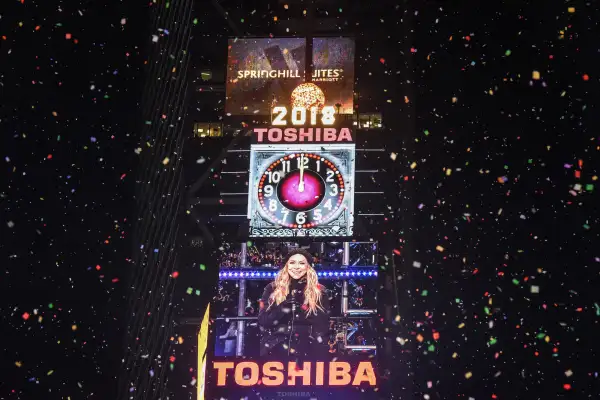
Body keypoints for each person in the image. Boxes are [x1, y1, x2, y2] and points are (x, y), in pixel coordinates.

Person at [257, 249, 330, 360]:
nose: (296, 267)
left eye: (301, 263)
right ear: (286, 265)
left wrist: (303, 307)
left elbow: (323, 324)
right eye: (292, 262)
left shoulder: (319, 291)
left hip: (309, 349)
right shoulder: (272, 288)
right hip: (276, 347)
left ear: (308, 267)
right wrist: (282, 309)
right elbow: (263, 321)